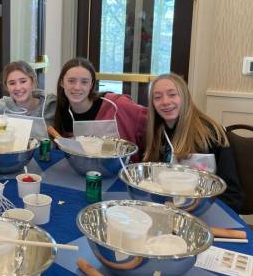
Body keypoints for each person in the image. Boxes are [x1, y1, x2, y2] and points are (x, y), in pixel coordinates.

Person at [144, 72, 244, 213]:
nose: (165, 101)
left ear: (185, 97)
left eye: (172, 94)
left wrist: (202, 205)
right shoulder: (156, 133)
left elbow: (233, 197)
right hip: (166, 210)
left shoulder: (211, 134)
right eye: (157, 97)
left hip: (205, 212)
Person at [54, 58, 147, 153]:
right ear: (62, 83)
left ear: (91, 84)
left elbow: (151, 121)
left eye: (84, 82)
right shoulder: (62, 112)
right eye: (71, 81)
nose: (77, 87)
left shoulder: (117, 104)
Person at [0, 61, 57, 139]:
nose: (18, 88)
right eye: (12, 83)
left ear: (33, 82)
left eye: (23, 81)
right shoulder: (2, 105)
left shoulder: (51, 105)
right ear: (6, 87)